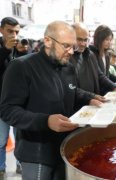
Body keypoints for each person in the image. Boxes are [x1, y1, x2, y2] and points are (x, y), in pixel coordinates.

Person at [0, 21, 100, 179]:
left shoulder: (68, 67)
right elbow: (8, 110)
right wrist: (45, 121)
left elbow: (71, 90)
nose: (71, 52)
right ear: (47, 41)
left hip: (64, 147)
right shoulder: (21, 67)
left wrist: (91, 98)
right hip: (36, 154)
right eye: (66, 46)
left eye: (73, 46)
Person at [70, 23, 116, 101]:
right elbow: (71, 87)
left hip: (92, 101)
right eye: (79, 39)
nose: (83, 43)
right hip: (78, 104)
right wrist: (91, 97)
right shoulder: (67, 58)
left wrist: (114, 87)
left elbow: (100, 75)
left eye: (85, 40)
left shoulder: (90, 55)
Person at [0, 17, 22, 177]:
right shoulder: (6, 48)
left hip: (18, 102)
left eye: (16, 32)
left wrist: (23, 52)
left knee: (20, 137)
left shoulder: (17, 47)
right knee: (1, 140)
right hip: (1, 104)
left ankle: (21, 164)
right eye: (10, 31)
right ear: (1, 30)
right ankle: (1, 168)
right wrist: (6, 51)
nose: (13, 35)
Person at [89, 25, 116, 90]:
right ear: (99, 39)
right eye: (106, 39)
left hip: (105, 90)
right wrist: (114, 87)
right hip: (97, 92)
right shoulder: (92, 54)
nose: (109, 42)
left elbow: (107, 75)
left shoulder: (106, 55)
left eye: (110, 40)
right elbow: (100, 76)